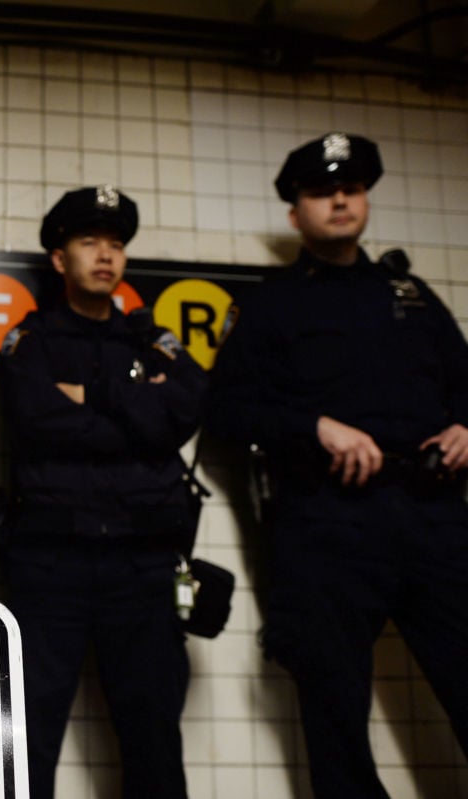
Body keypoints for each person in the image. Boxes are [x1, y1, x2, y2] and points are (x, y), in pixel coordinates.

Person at [206, 132, 468, 798]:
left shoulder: (410, 293)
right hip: (328, 521)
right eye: (323, 192)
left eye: (351, 188)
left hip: (433, 513)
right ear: (296, 214)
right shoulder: (271, 303)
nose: (341, 199)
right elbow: (228, 409)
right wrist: (313, 426)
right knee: (335, 712)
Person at [0, 186, 206, 799]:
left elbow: (186, 410)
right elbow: (40, 421)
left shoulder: (153, 339)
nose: (106, 255)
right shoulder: (28, 342)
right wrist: (142, 410)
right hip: (50, 563)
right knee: (29, 737)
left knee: (154, 736)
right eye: (90, 242)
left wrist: (97, 396)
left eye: (116, 243)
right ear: (60, 259)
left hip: (143, 563)